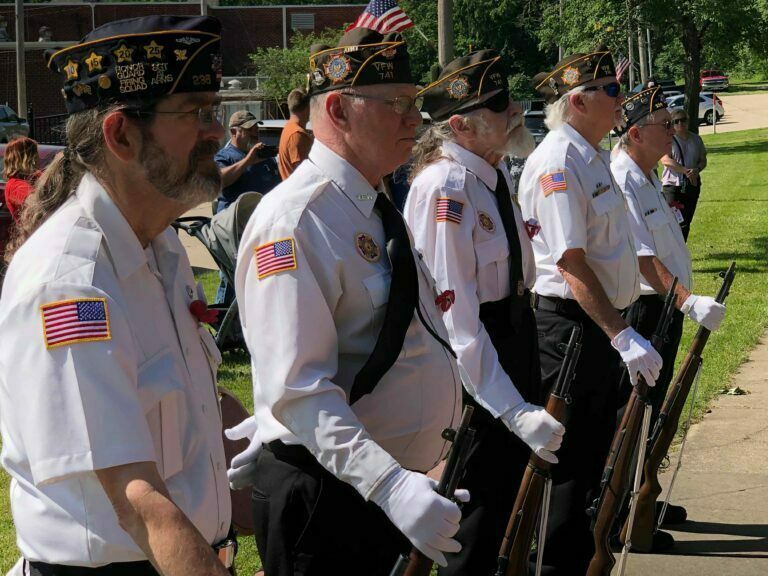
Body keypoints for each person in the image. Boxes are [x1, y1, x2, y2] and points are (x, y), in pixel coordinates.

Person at [0, 15, 235, 575]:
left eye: (213, 111)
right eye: (196, 113)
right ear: (121, 135)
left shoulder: (162, 249)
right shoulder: (72, 283)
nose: (218, 132)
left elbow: (196, 411)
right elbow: (138, 503)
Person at [230, 28, 468, 576]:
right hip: (333, 499)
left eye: (416, 104)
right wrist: (390, 485)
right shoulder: (294, 222)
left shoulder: (370, 203)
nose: (417, 120)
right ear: (337, 108)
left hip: (380, 489)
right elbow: (298, 389)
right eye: (398, 105)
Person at [404, 50, 564, 576]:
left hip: (512, 343)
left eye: (510, 101)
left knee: (501, 512)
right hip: (478, 369)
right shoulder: (445, 188)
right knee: (473, 519)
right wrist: (507, 406)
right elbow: (456, 317)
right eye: (499, 108)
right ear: (459, 125)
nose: (516, 111)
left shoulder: (490, 177)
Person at [518, 49, 663, 575]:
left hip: (597, 326)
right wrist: (621, 334)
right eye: (612, 91)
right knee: (570, 464)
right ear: (578, 101)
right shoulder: (559, 162)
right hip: (571, 328)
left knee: (593, 456)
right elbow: (570, 261)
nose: (621, 100)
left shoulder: (591, 154)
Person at [611, 86, 726, 547]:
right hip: (646, 311)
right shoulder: (622, 178)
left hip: (663, 309)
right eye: (664, 125)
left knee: (653, 410)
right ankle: (619, 511)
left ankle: (641, 496)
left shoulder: (645, 176)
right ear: (636, 133)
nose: (674, 132)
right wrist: (687, 301)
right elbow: (640, 257)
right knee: (635, 411)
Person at [213, 110, 280, 304]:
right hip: (235, 231)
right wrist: (248, 161)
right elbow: (220, 181)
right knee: (231, 279)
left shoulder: (263, 157)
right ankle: (222, 324)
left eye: (255, 128)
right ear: (234, 131)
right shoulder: (225, 156)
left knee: (263, 277)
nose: (255, 132)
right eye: (249, 129)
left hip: (264, 228)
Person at [660, 107, 708, 241]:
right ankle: (670, 251)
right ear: (672, 123)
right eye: (676, 121)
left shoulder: (696, 139)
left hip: (692, 185)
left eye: (683, 120)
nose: (680, 124)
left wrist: (697, 170)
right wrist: (686, 171)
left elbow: (703, 160)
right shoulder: (668, 140)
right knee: (672, 221)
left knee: (686, 222)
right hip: (672, 186)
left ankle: (681, 251)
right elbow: (665, 160)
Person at [277, 87, 313, 180]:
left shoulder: (290, 128)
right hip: (301, 192)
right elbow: (303, 172)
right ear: (307, 108)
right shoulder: (296, 134)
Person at [3, 136, 40, 223]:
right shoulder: (14, 185)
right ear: (26, 157)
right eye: (35, 153)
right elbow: (39, 204)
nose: (38, 156)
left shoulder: (35, 175)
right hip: (34, 233)